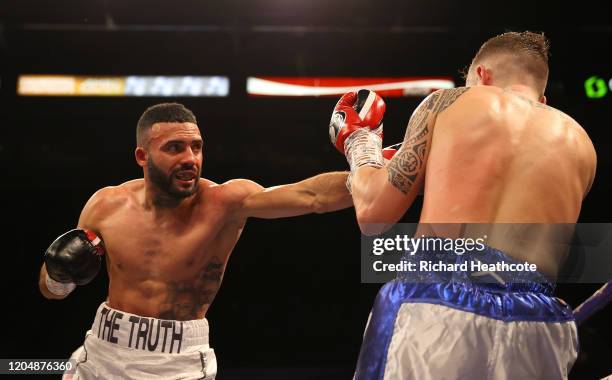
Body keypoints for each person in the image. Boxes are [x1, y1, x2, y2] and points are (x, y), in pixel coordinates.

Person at [329, 31, 596, 379]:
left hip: (437, 306)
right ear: (542, 97)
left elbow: (373, 215)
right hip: (539, 325)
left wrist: (361, 145)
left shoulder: (449, 102)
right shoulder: (582, 146)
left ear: (481, 76)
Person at [38, 102, 353, 379]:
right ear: (142, 156)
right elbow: (52, 291)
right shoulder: (106, 204)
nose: (190, 158)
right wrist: (58, 277)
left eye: (197, 147)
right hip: (101, 354)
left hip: (178, 363)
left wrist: (379, 167)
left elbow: (312, 196)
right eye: (175, 148)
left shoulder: (225, 202)